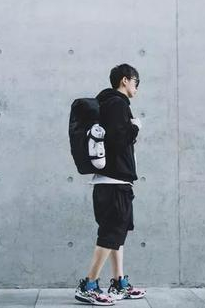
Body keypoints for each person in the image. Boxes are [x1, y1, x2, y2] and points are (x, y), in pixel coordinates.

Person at [74, 64, 146, 305]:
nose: (137, 87)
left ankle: (118, 282)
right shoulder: (117, 104)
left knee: (117, 233)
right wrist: (135, 127)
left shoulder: (109, 103)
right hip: (114, 182)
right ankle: (89, 285)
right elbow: (118, 138)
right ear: (125, 80)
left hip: (113, 182)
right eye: (136, 82)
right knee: (111, 233)